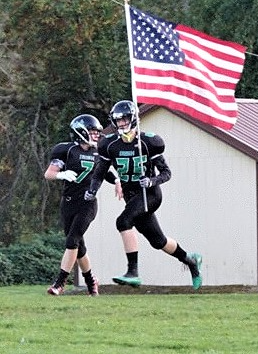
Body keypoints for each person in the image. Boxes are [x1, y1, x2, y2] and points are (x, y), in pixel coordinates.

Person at [85, 100, 203, 289]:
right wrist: (92, 190)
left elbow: (166, 173)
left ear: (133, 120)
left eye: (124, 120)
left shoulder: (148, 142)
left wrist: (151, 181)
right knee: (159, 242)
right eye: (118, 121)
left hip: (150, 194)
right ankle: (191, 261)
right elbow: (99, 173)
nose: (121, 124)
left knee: (123, 221)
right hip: (131, 197)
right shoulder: (109, 145)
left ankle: (133, 272)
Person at [44, 114, 122, 296]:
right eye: (94, 132)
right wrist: (61, 175)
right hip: (68, 203)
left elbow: (105, 173)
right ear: (81, 131)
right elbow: (48, 173)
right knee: (79, 248)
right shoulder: (67, 150)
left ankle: (59, 283)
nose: (97, 136)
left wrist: (118, 179)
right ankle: (91, 282)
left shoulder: (99, 152)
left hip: (87, 204)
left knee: (72, 242)